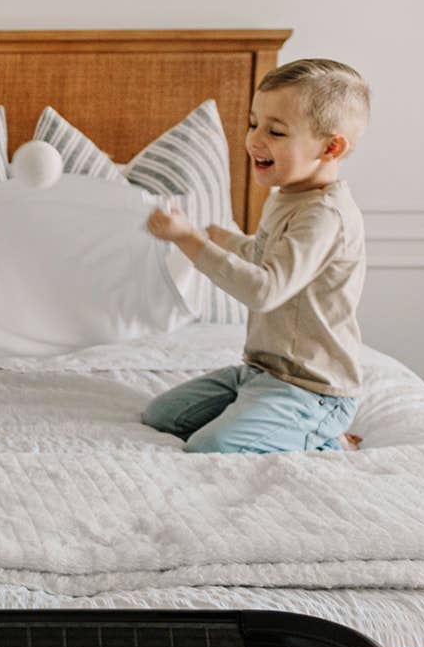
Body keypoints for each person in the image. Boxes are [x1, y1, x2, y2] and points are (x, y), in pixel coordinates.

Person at [142, 59, 369, 453]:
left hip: (311, 386)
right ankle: (266, 412)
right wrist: (229, 241)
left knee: (211, 448)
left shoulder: (324, 215)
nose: (254, 139)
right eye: (253, 123)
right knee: (163, 417)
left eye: (276, 131)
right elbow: (267, 256)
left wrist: (190, 242)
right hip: (263, 371)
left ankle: (324, 436)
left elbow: (265, 289)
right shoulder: (288, 196)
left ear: (331, 147)